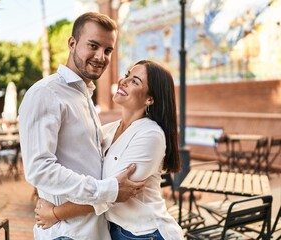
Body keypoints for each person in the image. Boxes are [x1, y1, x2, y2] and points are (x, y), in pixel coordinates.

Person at [18, 12, 145, 240]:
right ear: (72, 43)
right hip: (67, 233)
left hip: (93, 230)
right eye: (93, 46)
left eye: (107, 51)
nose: (100, 57)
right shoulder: (46, 93)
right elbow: (39, 169)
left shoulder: (84, 95)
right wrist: (108, 190)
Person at [35, 60, 184, 240]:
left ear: (149, 99)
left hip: (145, 233)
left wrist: (56, 213)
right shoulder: (108, 130)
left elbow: (112, 194)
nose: (124, 81)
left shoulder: (151, 135)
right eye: (127, 75)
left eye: (135, 81)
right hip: (114, 230)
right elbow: (104, 187)